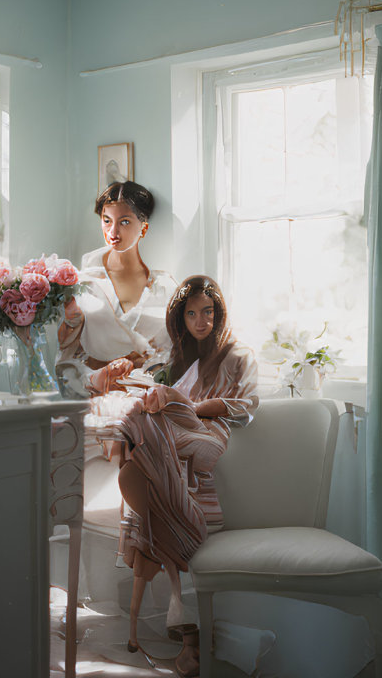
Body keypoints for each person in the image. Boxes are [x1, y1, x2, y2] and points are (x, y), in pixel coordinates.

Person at [114, 275, 258, 677]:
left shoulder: (238, 355)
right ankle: (192, 639)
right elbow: (151, 390)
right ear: (180, 319)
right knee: (142, 426)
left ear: (219, 312)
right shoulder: (174, 359)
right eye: (191, 314)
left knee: (140, 451)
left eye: (207, 312)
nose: (201, 321)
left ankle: (190, 636)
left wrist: (187, 406)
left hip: (207, 437)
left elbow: (246, 406)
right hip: (170, 447)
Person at [55, 180, 177, 402]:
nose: (113, 231)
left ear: (144, 227)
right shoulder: (83, 284)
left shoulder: (164, 288)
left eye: (125, 222)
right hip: (93, 394)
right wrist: (100, 375)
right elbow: (68, 354)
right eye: (107, 221)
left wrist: (139, 369)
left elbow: (172, 353)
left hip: (145, 397)